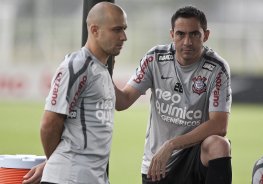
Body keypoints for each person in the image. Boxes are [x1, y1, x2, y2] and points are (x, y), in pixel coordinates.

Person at [114, 5, 232, 184]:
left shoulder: (216, 68)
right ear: (172, 35)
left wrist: (171, 144)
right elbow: (123, 101)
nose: (187, 42)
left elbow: (219, 124)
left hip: (193, 157)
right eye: (180, 34)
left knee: (219, 145)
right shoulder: (155, 59)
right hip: (157, 164)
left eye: (194, 34)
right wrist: (102, 70)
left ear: (205, 35)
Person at [22, 2, 127, 184]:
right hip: (70, 178)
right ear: (95, 30)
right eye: (116, 30)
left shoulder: (101, 69)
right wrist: (55, 162)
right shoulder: (77, 65)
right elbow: (49, 123)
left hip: (92, 177)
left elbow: (121, 103)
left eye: (124, 29)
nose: (124, 37)